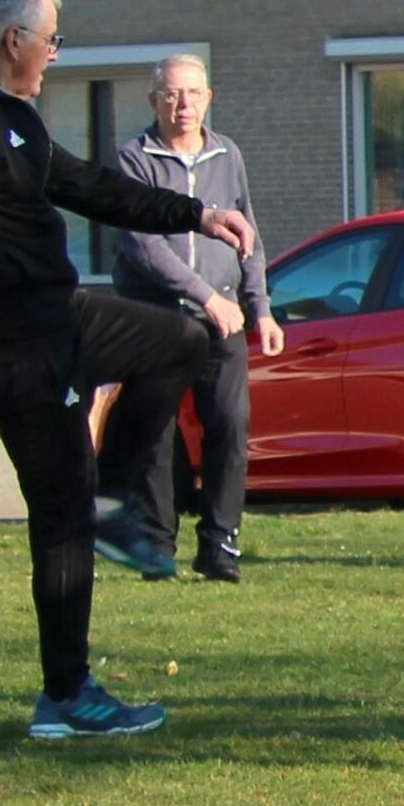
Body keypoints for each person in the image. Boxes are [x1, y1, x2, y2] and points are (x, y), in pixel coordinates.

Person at [0, 0, 252, 739]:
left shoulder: (14, 119)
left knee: (185, 337)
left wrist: (198, 213)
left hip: (63, 318)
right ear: (13, 39)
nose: (56, 53)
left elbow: (91, 186)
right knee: (61, 512)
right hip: (16, 349)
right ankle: (67, 693)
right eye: (52, 38)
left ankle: (116, 500)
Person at [108, 52, 282, 584]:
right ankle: (158, 549)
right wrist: (205, 296)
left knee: (230, 423)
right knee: (156, 432)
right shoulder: (134, 159)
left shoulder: (228, 155)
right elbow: (144, 247)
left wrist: (261, 308)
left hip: (222, 316)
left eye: (193, 93)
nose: (183, 104)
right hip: (156, 316)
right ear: (154, 101)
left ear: (209, 98)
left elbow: (248, 237)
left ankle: (220, 546)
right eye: (172, 93)